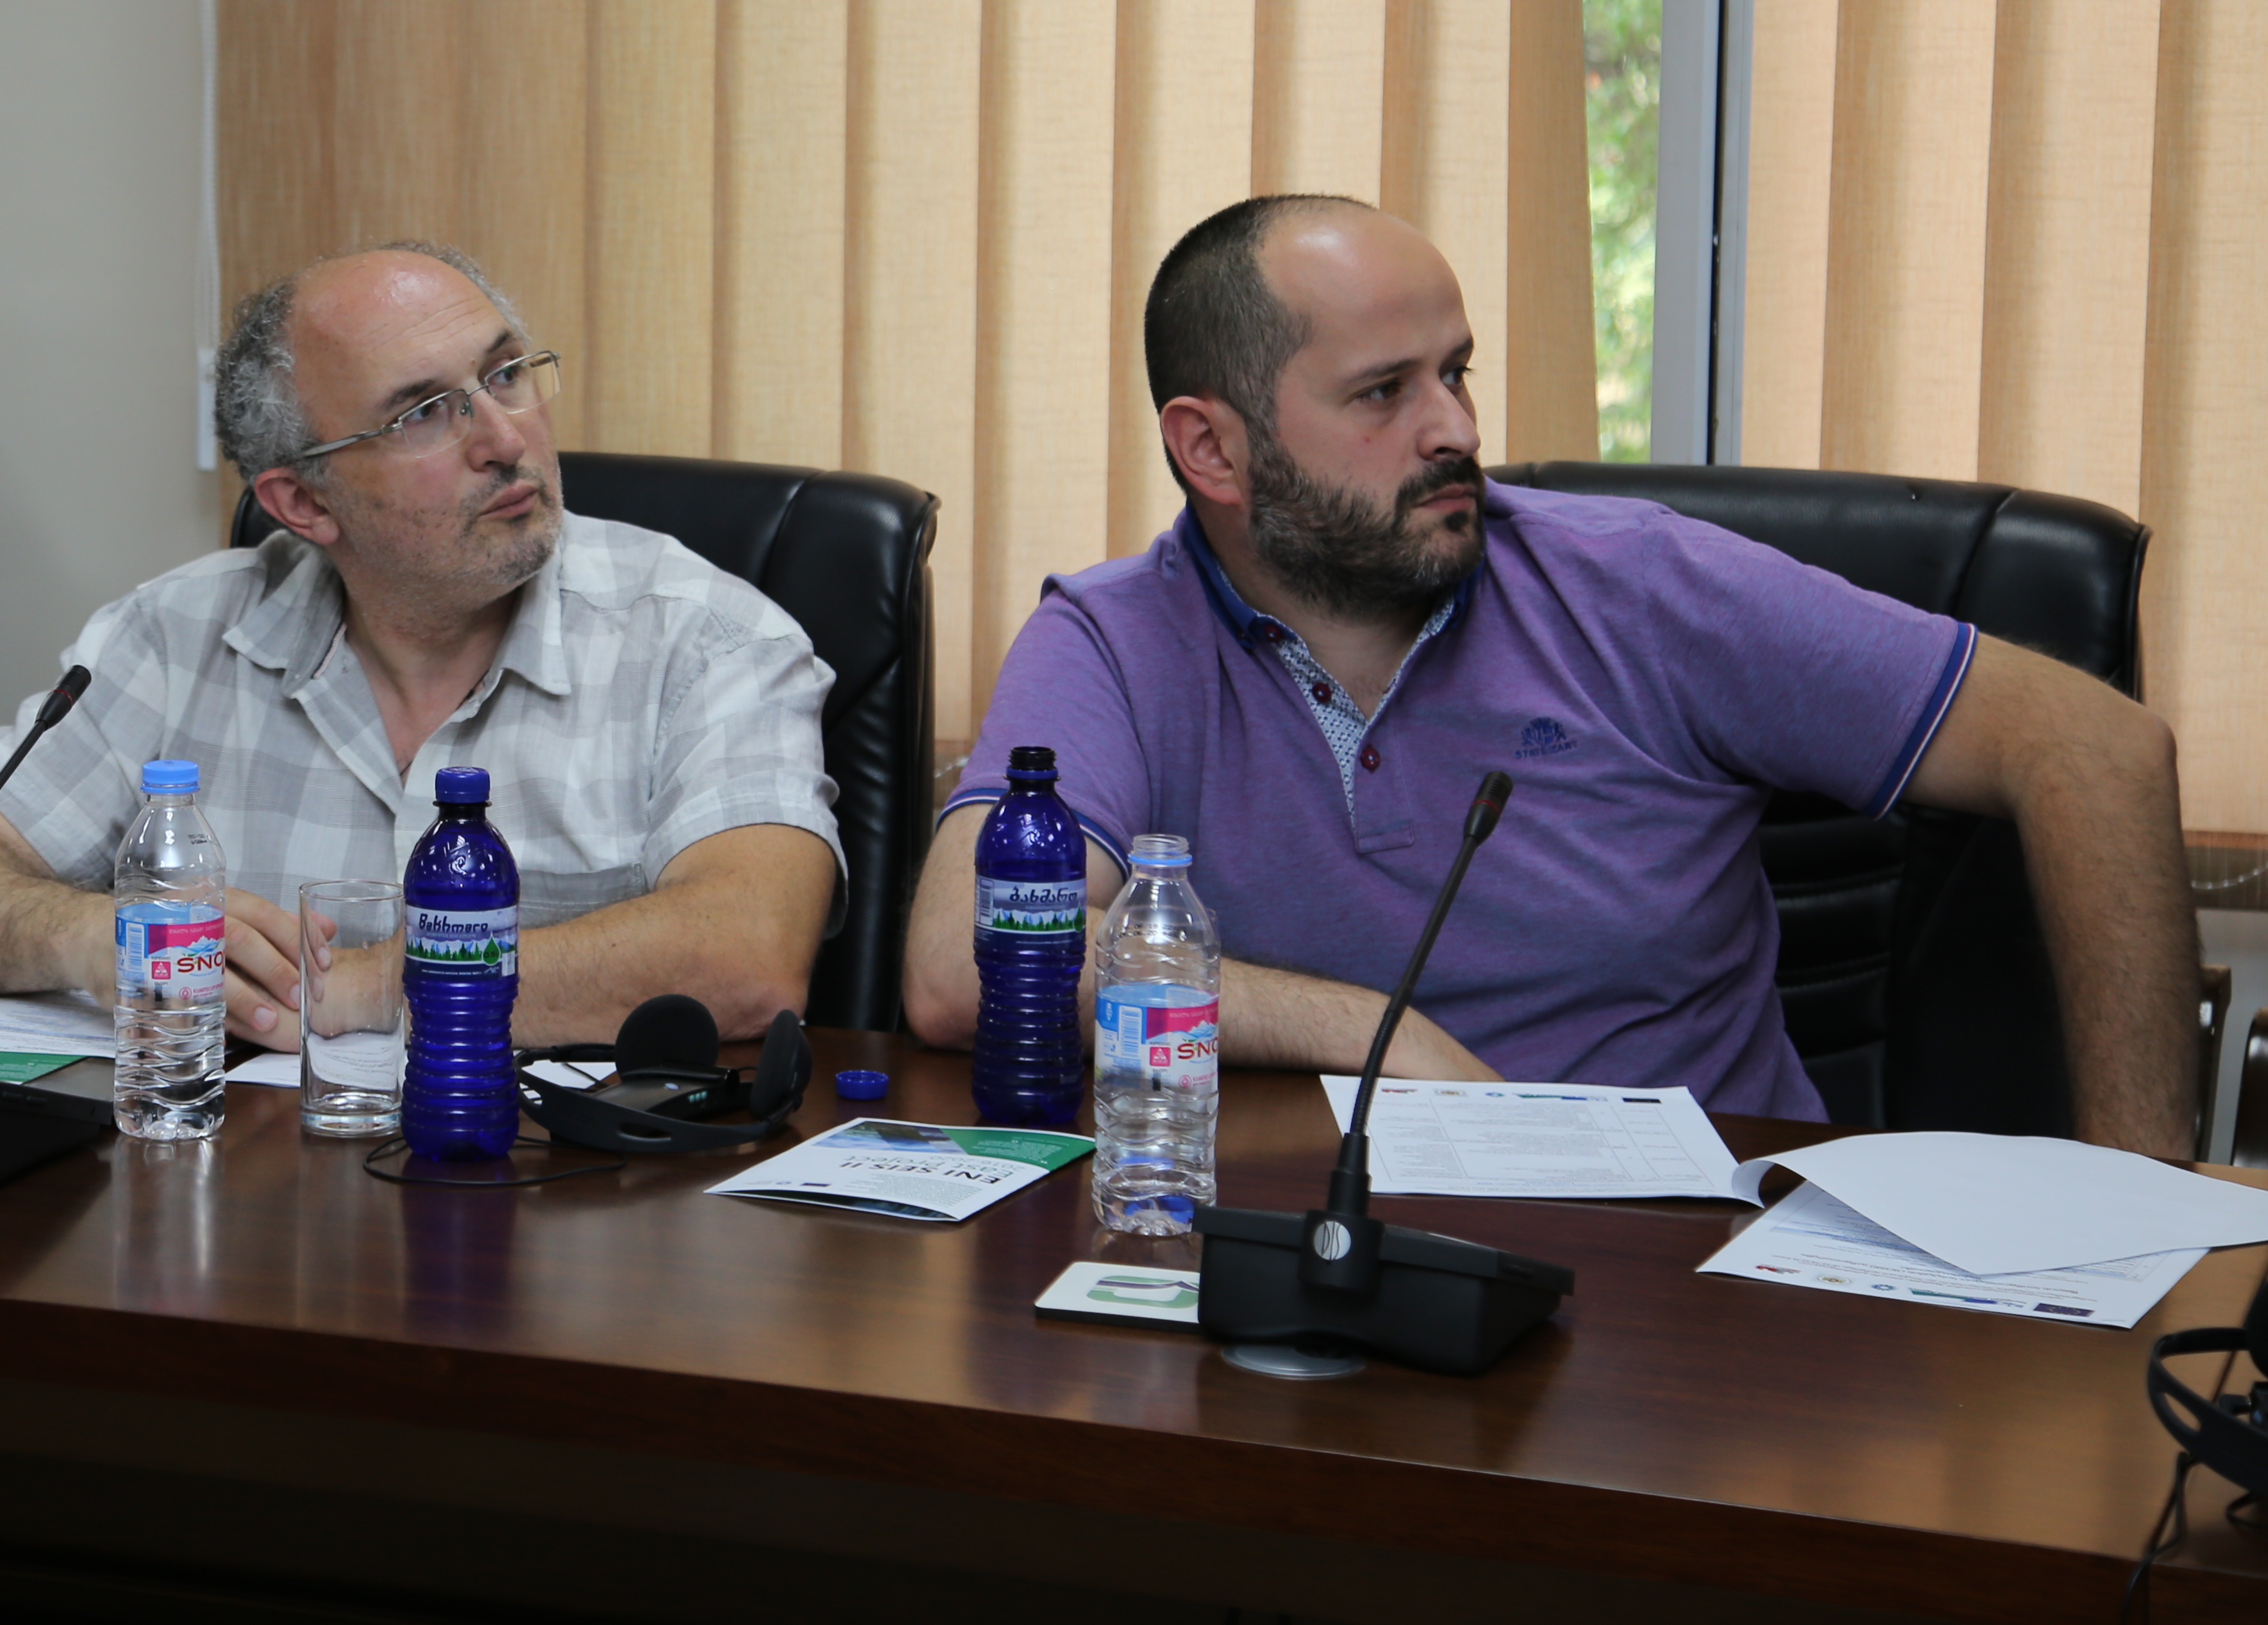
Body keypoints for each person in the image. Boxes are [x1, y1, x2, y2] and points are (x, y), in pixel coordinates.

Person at [901, 195, 2196, 1153]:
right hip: (1317, 1261)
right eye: (1383, 392)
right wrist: (1378, 1036)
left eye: (1456, 373)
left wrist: (2150, 1214)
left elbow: (2095, 748)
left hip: (1697, 1279)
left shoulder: (1640, 585)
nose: (1457, 429)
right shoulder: (1113, 640)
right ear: (1213, 451)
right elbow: (967, 968)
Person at [0, 242, 840, 1046]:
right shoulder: (177, 636)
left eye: (506, 374)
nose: (505, 438)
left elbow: (747, 954)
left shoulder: (705, 637)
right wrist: (90, 935)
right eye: (423, 413)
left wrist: (354, 986)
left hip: (575, 1200)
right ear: (303, 503)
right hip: (244, 1195)